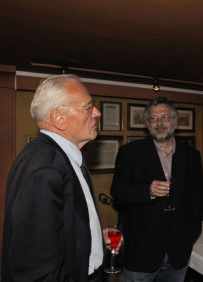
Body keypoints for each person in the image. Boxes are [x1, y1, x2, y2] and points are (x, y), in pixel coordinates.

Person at [1, 74, 122, 282]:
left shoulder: (60, 157)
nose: (97, 112)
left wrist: (91, 237)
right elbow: (36, 271)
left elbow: (55, 228)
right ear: (59, 119)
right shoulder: (46, 169)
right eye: (88, 107)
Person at [110, 97, 203, 282]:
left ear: (175, 122)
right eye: (153, 119)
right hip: (142, 253)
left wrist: (188, 237)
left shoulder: (191, 156)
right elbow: (118, 192)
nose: (159, 123)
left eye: (165, 117)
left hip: (178, 253)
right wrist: (148, 191)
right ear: (147, 124)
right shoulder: (129, 153)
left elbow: (197, 200)